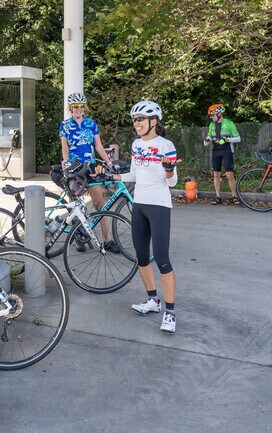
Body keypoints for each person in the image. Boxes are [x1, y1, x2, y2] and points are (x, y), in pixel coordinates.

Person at [110, 101, 181, 334]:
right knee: (141, 258)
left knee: (162, 260)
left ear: (154, 121)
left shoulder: (165, 145)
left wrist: (169, 170)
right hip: (139, 205)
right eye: (135, 119)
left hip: (159, 206)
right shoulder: (136, 144)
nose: (136, 123)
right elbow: (134, 173)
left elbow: (172, 182)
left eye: (140, 118)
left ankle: (170, 313)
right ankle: (153, 300)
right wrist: (115, 176)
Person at [59, 92, 118, 252]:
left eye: (81, 106)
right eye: (75, 106)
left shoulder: (91, 124)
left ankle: (108, 240)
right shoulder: (65, 125)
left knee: (100, 203)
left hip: (90, 166)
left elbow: (98, 146)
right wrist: (65, 163)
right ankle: (79, 237)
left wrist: (109, 162)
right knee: (76, 205)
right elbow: (65, 147)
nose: (78, 109)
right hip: (73, 168)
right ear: (70, 108)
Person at [203, 103, 241, 205]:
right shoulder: (212, 124)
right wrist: (207, 140)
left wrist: (227, 139)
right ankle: (218, 196)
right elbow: (210, 135)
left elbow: (238, 138)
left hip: (227, 149)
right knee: (216, 174)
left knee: (229, 174)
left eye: (213, 115)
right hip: (216, 150)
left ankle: (234, 196)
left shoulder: (229, 123)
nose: (211, 118)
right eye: (210, 116)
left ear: (219, 113)